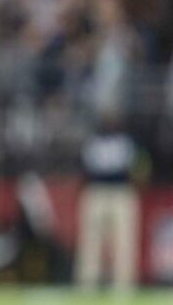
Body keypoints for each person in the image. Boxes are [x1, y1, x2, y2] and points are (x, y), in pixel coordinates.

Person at [74, 115, 147, 294]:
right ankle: (87, 284)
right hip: (96, 192)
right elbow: (83, 169)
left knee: (124, 241)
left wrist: (138, 180)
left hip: (121, 193)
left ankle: (124, 286)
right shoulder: (92, 143)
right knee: (91, 242)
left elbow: (140, 167)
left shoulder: (127, 143)